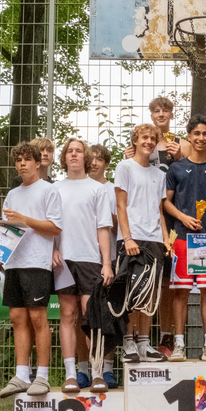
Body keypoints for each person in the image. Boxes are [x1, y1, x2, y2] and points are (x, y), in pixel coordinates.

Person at [0, 141, 62, 398]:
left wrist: (26, 220)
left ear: (37, 162)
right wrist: (0, 255)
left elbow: (55, 227)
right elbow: (9, 230)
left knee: (38, 318)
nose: (22, 164)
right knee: (17, 318)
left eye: (27, 159)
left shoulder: (49, 190)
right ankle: (22, 375)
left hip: (37, 263)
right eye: (18, 160)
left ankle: (42, 376)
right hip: (14, 263)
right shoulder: (12, 195)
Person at [124, 97, 189, 357]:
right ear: (151, 115)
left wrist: (181, 157)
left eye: (166, 110)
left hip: (172, 219)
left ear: (172, 114)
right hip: (145, 222)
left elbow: (190, 174)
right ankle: (137, 340)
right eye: (156, 110)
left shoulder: (180, 143)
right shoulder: (141, 144)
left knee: (168, 283)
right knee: (143, 282)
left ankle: (165, 337)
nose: (161, 114)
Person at [164, 114, 206, 362]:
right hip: (182, 238)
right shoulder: (176, 168)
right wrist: (182, 217)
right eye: (197, 133)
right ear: (189, 136)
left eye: (205, 134)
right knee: (180, 292)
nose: (201, 138)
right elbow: (166, 203)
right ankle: (179, 345)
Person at [53, 138, 114, 394]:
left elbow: (103, 228)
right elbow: (50, 225)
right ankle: (70, 375)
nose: (74, 154)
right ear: (64, 157)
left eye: (79, 151)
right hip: (63, 261)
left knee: (92, 317)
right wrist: (52, 249)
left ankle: (97, 372)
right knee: (67, 315)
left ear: (85, 157)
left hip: (90, 260)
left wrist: (107, 263)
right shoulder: (54, 189)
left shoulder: (97, 189)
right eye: (70, 151)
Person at [114, 124, 170, 364]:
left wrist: (165, 239)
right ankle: (128, 342)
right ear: (135, 141)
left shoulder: (160, 174)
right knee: (130, 292)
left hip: (154, 240)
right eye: (144, 137)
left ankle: (144, 344)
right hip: (132, 238)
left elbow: (159, 210)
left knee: (149, 294)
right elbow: (120, 205)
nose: (148, 142)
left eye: (152, 139)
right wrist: (127, 238)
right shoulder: (124, 167)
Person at [88, 144, 120, 388]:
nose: (94, 163)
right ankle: (83, 369)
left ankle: (107, 369)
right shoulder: (77, 187)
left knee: (108, 314)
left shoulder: (113, 190)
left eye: (99, 159)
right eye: (91, 158)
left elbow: (119, 225)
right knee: (81, 315)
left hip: (109, 259)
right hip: (83, 258)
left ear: (107, 164)